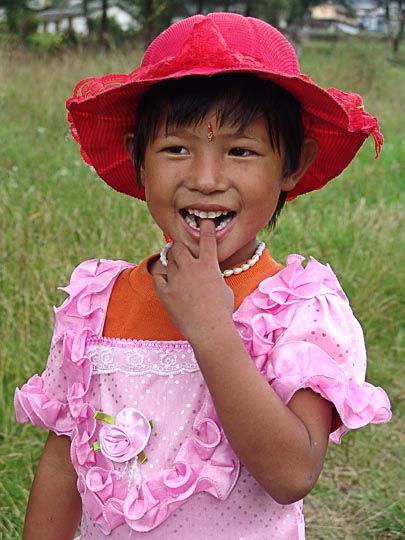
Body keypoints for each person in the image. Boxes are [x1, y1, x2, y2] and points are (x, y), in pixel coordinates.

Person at [15, 12, 392, 540]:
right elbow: (61, 463)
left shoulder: (300, 311)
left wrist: (212, 328)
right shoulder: (96, 303)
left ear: (293, 165)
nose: (206, 178)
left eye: (241, 151)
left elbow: (291, 474)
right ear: (137, 160)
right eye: (176, 149)